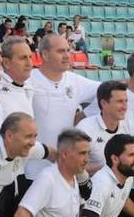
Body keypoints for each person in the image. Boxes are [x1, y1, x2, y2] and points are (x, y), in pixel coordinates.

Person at [25, 33, 99, 178]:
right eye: (60, 51)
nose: (67, 55)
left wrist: (84, 115)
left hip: (65, 169)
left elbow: (107, 91)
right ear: (45, 54)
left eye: (68, 50)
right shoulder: (29, 80)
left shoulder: (74, 81)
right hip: (33, 169)